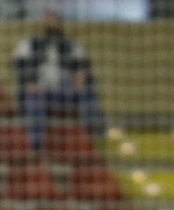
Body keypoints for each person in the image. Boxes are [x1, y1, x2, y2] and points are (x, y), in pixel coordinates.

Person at [11, 12, 104, 153]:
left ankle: (96, 133)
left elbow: (82, 66)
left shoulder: (70, 44)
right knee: (34, 98)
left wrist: (80, 76)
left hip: (63, 89)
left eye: (53, 19)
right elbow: (19, 66)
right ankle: (36, 145)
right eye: (46, 19)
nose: (50, 23)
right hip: (39, 87)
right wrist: (31, 82)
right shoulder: (30, 42)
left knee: (88, 88)